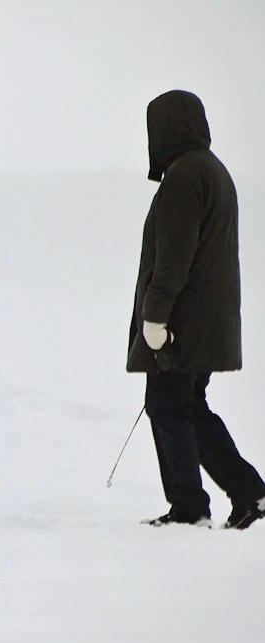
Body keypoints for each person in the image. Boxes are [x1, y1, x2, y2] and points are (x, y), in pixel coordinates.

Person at [127, 90, 265, 530]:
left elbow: (173, 258)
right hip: (205, 321)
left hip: (181, 324)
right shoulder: (212, 170)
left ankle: (189, 509)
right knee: (189, 406)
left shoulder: (185, 177)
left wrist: (154, 317)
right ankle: (249, 492)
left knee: (167, 405)